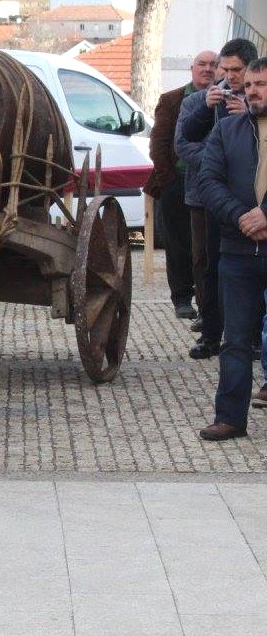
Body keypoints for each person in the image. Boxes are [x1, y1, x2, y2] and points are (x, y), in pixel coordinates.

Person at [197, 56, 267, 441]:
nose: (253, 91)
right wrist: (242, 216)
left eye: (261, 84)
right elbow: (208, 181)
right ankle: (230, 418)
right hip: (238, 251)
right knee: (235, 339)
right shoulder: (226, 130)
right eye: (250, 84)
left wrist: (266, 215)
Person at [175, 38, 259, 360]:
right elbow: (184, 142)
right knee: (209, 267)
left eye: (236, 70)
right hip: (210, 196)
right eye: (224, 69)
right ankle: (211, 335)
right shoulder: (201, 99)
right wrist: (217, 153)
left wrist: (248, 115)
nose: (228, 77)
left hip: (251, 196)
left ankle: (252, 338)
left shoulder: (257, 100)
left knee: (251, 267)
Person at [144, 50, 216, 320]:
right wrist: (169, 181)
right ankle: (182, 298)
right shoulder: (172, 100)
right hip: (176, 180)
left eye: (212, 65)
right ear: (192, 68)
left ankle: (207, 299)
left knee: (205, 246)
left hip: (210, 183)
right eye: (202, 64)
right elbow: (159, 144)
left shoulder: (224, 99)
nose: (207, 69)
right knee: (177, 243)